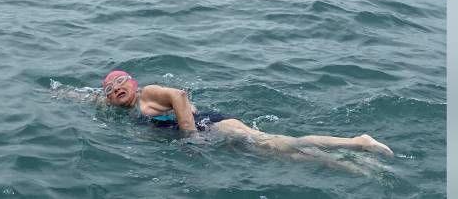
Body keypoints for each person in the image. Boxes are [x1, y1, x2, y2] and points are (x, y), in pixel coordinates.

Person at [98, 69, 393, 173]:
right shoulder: (127, 108)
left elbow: (179, 95)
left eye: (122, 81)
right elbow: (88, 96)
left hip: (212, 126)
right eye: (110, 89)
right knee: (281, 156)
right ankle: (349, 164)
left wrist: (191, 137)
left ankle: (358, 143)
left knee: (273, 142)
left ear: (134, 83)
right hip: (210, 137)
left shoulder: (147, 94)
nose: (117, 88)